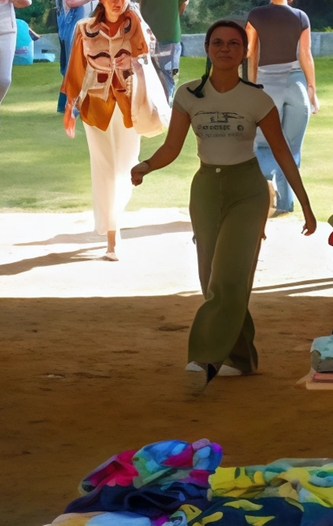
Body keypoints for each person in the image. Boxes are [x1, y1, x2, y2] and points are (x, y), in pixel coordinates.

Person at [131, 20, 316, 391]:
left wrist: (306, 205)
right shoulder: (188, 94)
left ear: (244, 51)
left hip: (248, 189)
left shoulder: (257, 98)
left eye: (234, 43)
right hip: (205, 188)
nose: (226, 49)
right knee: (210, 279)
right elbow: (172, 148)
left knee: (230, 275)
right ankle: (242, 357)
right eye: (218, 42)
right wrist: (146, 166)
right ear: (207, 49)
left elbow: (282, 153)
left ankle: (206, 356)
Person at [60, 0, 149, 260]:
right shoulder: (84, 29)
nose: (117, 2)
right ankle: (112, 235)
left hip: (128, 105)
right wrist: (69, 108)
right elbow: (75, 68)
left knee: (126, 166)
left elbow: (148, 55)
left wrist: (132, 62)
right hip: (95, 106)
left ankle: (113, 223)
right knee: (104, 169)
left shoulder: (134, 24)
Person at [246, 0, 317, 216]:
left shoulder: (256, 16)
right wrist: (312, 90)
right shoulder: (301, 17)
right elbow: (305, 55)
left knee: (264, 146)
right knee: (291, 149)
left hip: (267, 86)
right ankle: (286, 203)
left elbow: (249, 53)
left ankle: (263, 191)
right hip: (296, 84)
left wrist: (250, 86)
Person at [55, 0, 100, 112]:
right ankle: (72, 105)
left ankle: (65, 104)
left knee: (70, 65)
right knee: (74, 65)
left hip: (66, 23)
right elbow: (72, 2)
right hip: (73, 23)